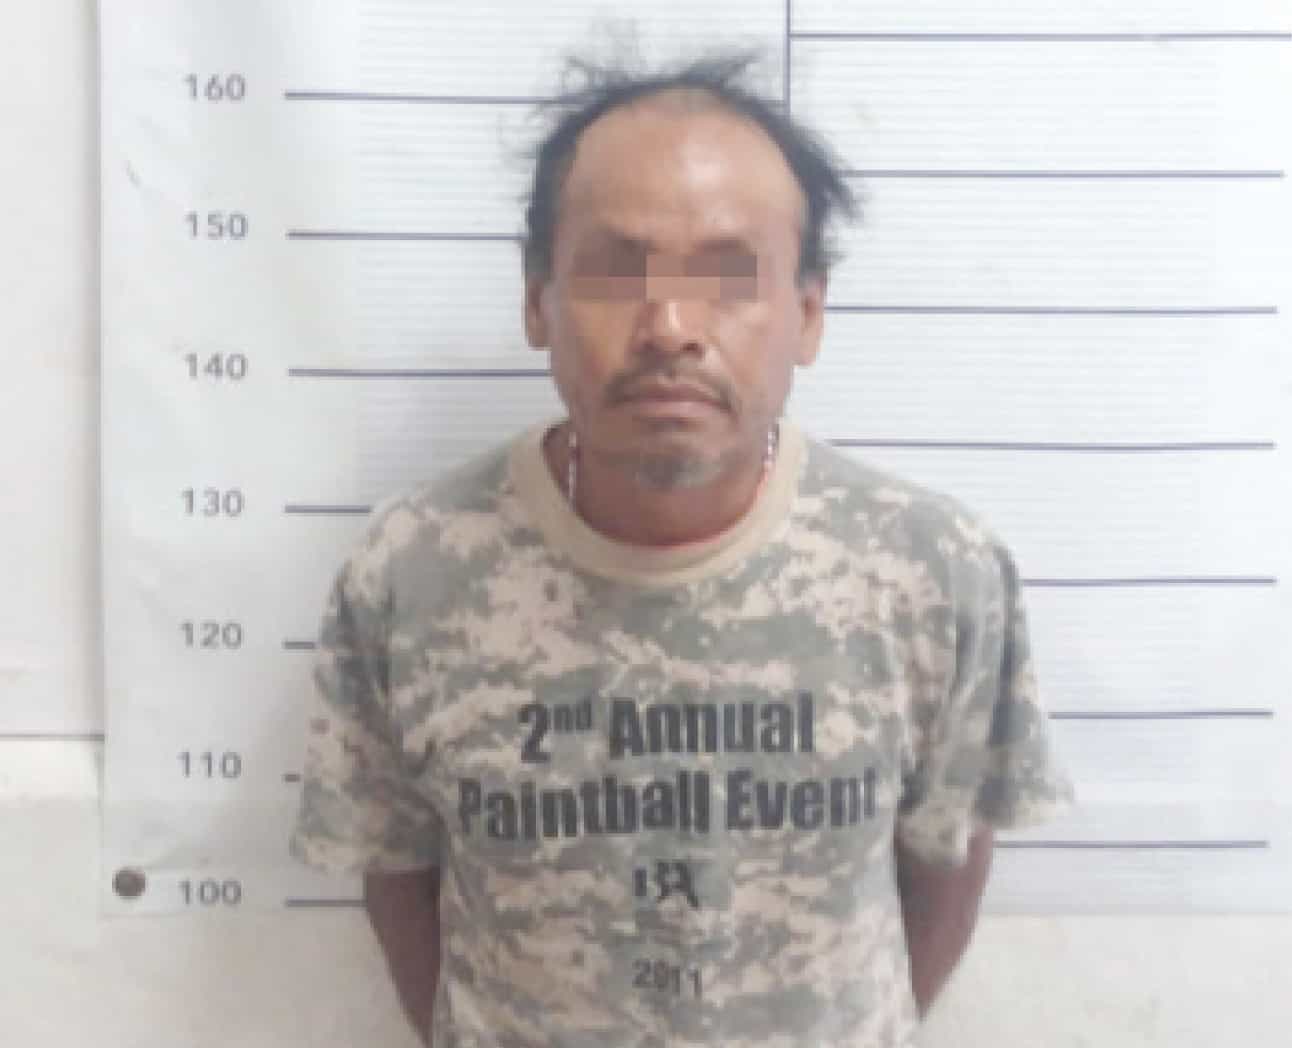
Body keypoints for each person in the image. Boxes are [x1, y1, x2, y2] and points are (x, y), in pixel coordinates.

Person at [289, 48, 1076, 1048]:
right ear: (537, 301)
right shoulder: (411, 572)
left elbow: (946, 863)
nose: (668, 326)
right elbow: (397, 875)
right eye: (616, 273)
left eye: (728, 277)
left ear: (808, 313)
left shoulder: (935, 572)